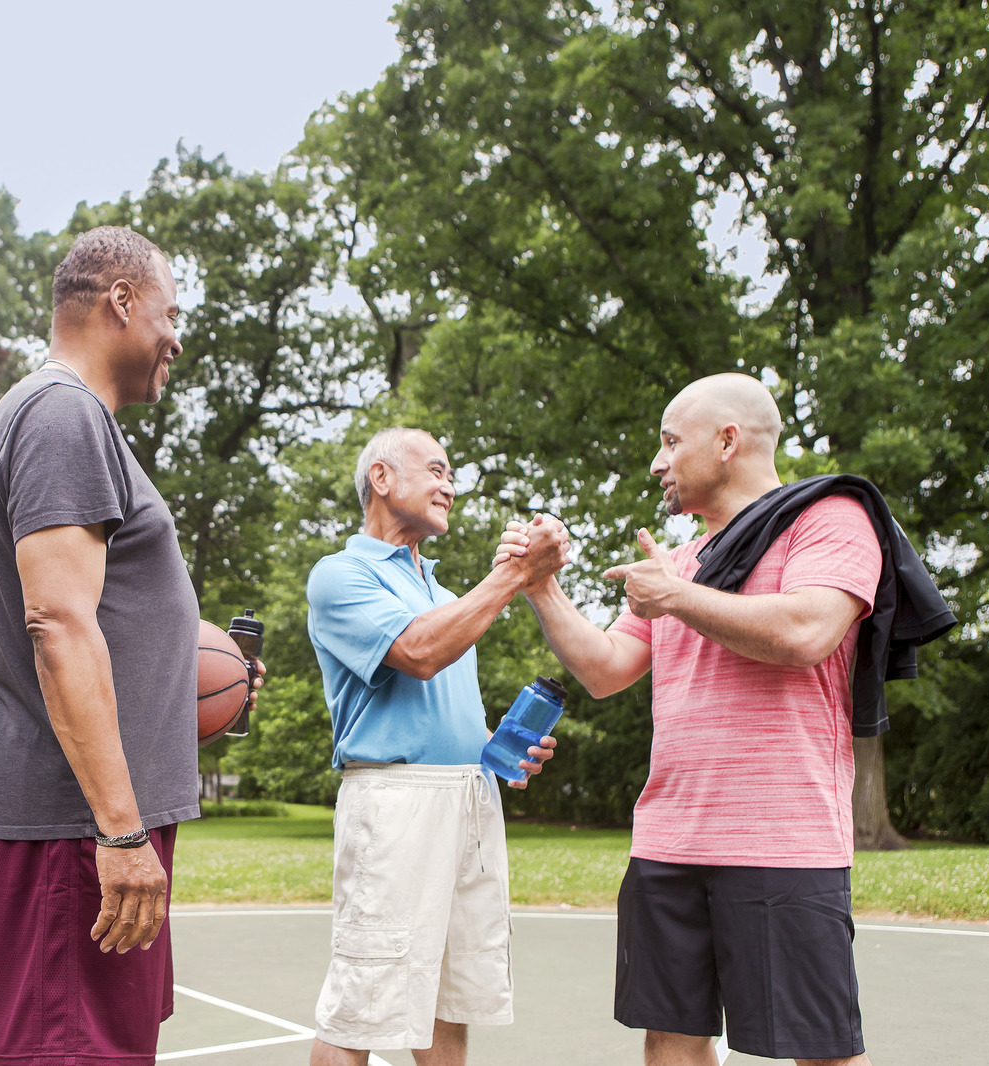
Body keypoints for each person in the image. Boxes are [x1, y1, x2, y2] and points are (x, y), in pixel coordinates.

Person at [512, 373, 892, 1066]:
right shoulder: (679, 563)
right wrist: (540, 585)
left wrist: (679, 596)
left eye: (667, 442)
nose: (655, 463)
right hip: (669, 839)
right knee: (670, 1039)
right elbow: (604, 669)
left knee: (821, 1052)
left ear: (726, 440)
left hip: (782, 838)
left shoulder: (829, 519)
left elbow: (807, 631)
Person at [0, 226, 258, 1066]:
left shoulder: (61, 418)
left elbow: (102, 616)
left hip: (89, 820)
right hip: (82, 826)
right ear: (120, 302)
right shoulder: (62, 416)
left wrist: (199, 672)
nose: (176, 337)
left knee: (106, 1049)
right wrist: (122, 835)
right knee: (74, 1052)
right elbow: (56, 625)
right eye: (171, 313)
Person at [304, 426, 569, 1066]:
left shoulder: (448, 597)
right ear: (383, 479)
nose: (450, 485)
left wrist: (498, 745)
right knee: (362, 1003)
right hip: (395, 807)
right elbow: (418, 653)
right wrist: (512, 575)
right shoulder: (340, 576)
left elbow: (446, 702)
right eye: (437, 469)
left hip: (469, 799)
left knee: (452, 999)